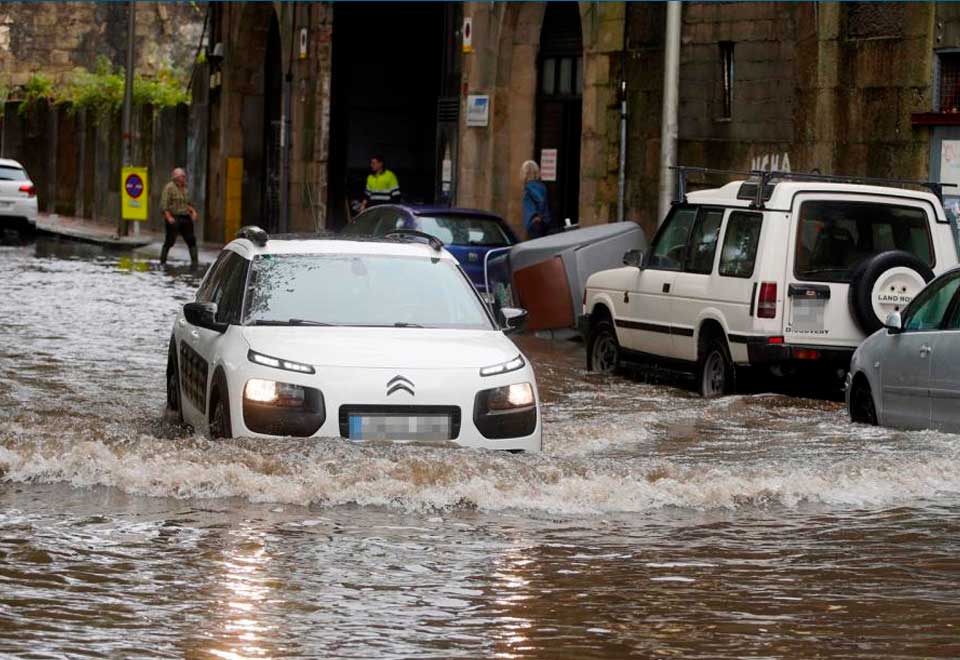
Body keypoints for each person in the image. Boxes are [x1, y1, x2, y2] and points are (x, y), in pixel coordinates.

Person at [159, 167, 199, 267]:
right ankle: (162, 261)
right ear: (176, 177)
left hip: (185, 216)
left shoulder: (185, 188)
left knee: (191, 239)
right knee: (170, 240)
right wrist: (169, 217)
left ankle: (195, 262)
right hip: (174, 216)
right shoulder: (169, 188)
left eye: (184, 176)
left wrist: (193, 212)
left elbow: (187, 203)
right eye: (182, 176)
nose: (184, 178)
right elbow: (164, 205)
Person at [521, 160, 552, 240]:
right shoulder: (541, 186)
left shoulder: (529, 186)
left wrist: (539, 216)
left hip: (535, 224)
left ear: (526, 172)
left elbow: (540, 200)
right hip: (543, 223)